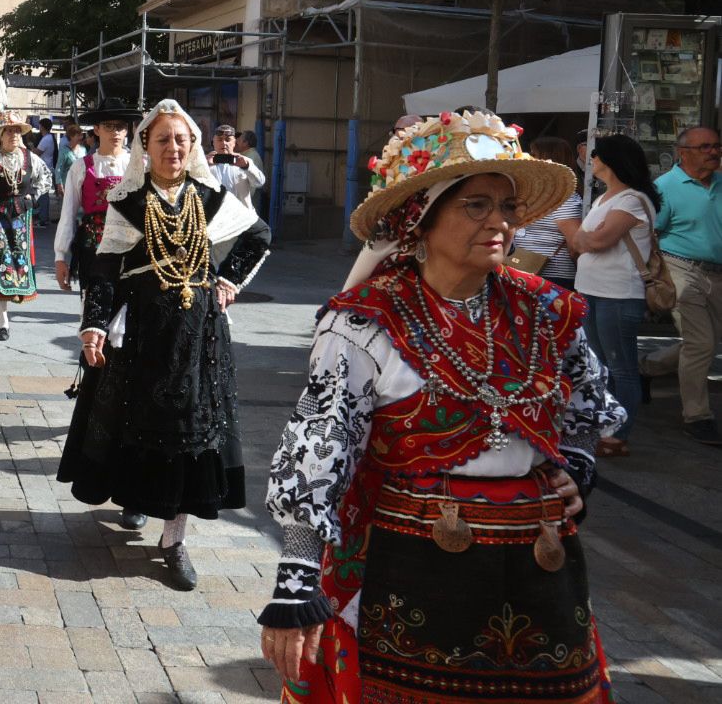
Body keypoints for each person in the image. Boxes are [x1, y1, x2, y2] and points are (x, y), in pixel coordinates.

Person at [258, 109, 623, 703]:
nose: (500, 222)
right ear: (419, 220)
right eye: (476, 205)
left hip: (540, 564)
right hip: (413, 567)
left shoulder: (548, 311)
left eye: (506, 207)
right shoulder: (364, 324)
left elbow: (587, 404)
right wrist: (297, 581)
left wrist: (577, 465)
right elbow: (319, 446)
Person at [57, 101, 270, 588]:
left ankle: (174, 539)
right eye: (162, 140)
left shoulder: (211, 195)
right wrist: (93, 325)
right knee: (139, 421)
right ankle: (138, 498)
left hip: (199, 333)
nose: (173, 148)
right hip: (143, 332)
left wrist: (228, 280)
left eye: (181, 140)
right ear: (145, 148)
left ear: (192, 145)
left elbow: (258, 236)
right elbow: (106, 270)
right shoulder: (127, 201)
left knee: (191, 431)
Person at [566, 133, 655, 457]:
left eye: (596, 155)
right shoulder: (605, 199)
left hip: (618, 294)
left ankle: (619, 434)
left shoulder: (632, 199)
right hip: (591, 289)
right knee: (600, 365)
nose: (592, 160)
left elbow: (596, 241)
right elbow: (579, 241)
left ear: (611, 161)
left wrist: (586, 238)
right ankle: (605, 425)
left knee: (621, 368)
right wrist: (586, 238)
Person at [645, 125, 722, 446]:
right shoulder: (665, 187)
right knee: (702, 343)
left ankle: (647, 367)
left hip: (716, 273)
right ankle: (697, 416)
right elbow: (651, 233)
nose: (714, 152)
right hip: (680, 268)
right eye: (705, 147)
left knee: (705, 341)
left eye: (717, 146)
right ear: (683, 153)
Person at [0, 110, 54, 341]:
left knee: (17, 268)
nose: (15, 135)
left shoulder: (29, 157)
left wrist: (33, 197)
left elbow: (46, 178)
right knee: (0, 267)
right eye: (10, 131)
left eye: (17, 131)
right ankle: (3, 322)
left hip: (20, 221)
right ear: (0, 135)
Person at [54, 98, 141, 294]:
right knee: (93, 306)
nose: (115, 132)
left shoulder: (138, 166)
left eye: (120, 126)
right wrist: (60, 256)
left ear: (127, 130)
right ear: (96, 129)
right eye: (109, 126)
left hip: (131, 248)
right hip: (93, 248)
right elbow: (68, 214)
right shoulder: (81, 167)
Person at [510, 135, 582, 291]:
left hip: (553, 276)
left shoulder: (565, 198)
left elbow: (575, 244)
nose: (529, 158)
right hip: (522, 270)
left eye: (534, 154)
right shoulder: (531, 194)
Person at [208, 124, 265, 215]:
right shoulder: (204, 163)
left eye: (228, 140)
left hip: (241, 219)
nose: (224, 143)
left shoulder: (244, 161)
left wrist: (247, 166)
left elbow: (259, 182)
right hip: (215, 219)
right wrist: (203, 165)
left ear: (234, 143)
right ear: (213, 143)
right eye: (219, 140)